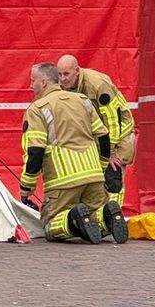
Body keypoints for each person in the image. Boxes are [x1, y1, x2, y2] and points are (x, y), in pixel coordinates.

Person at [19, 63, 127, 244]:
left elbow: (35, 152)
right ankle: (107, 216)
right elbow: (103, 136)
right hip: (93, 176)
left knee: (50, 225)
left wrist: (26, 189)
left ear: (44, 83)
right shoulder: (83, 100)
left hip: (62, 181)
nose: (31, 85)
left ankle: (72, 218)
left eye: (33, 81)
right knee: (93, 215)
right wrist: (100, 168)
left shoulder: (37, 109)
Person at [56, 55, 136, 208]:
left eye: (66, 74)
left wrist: (110, 152)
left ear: (77, 71)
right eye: (59, 74)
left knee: (112, 176)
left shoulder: (97, 84)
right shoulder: (62, 88)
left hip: (118, 133)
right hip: (96, 135)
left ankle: (113, 216)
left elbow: (113, 120)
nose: (62, 79)